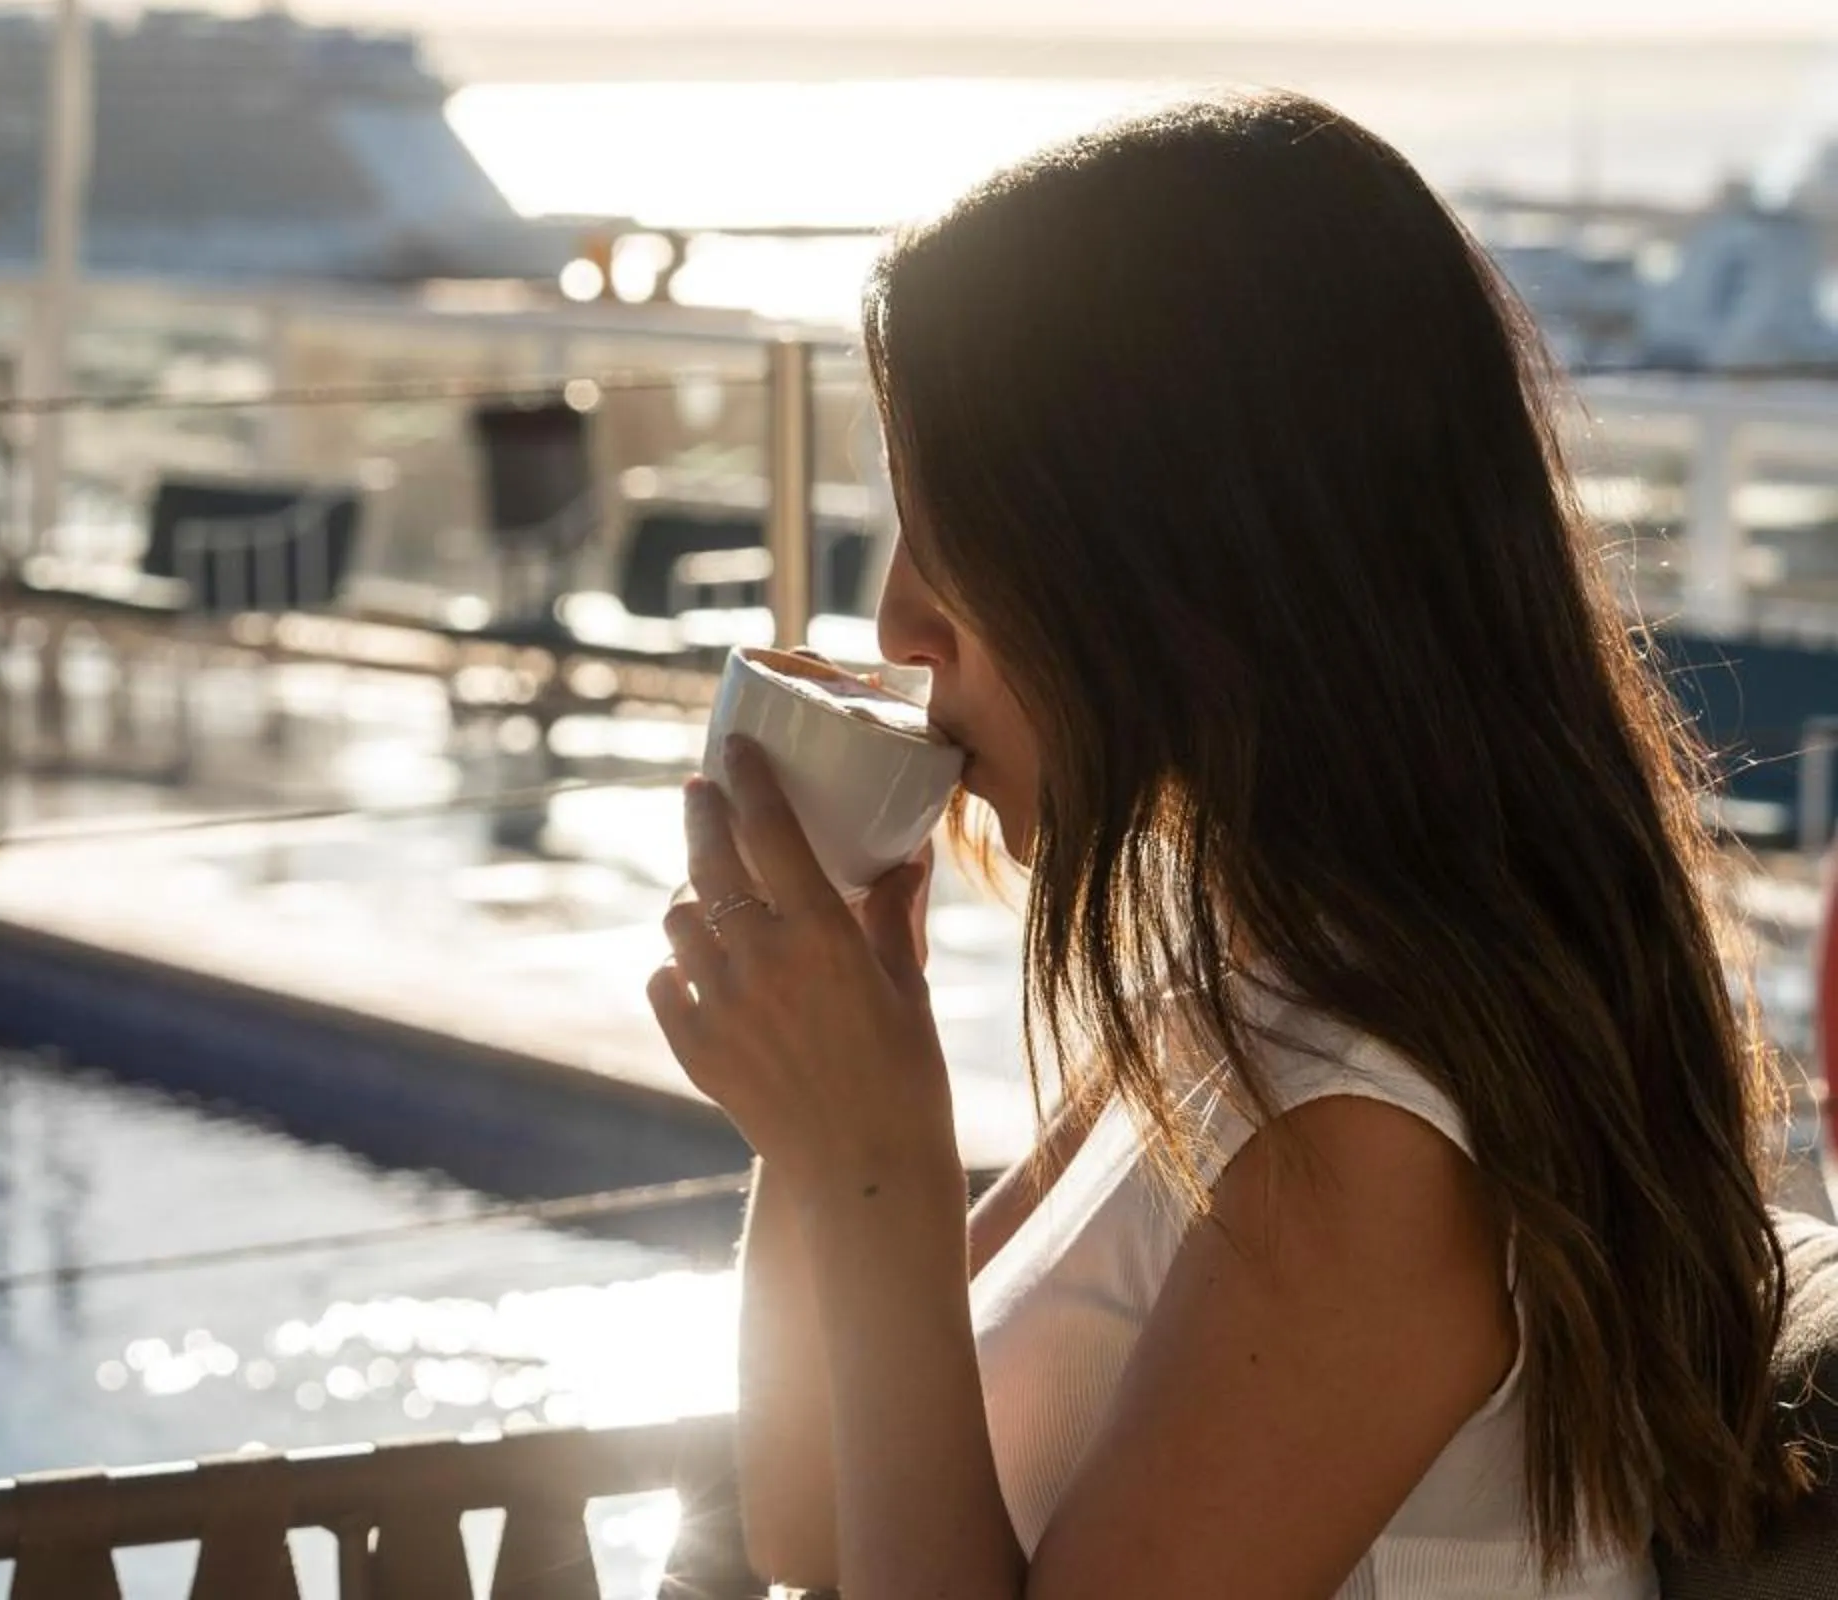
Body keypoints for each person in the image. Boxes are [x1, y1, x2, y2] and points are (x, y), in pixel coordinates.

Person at [648, 92, 1802, 1600]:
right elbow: (808, 1525)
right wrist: (824, 1111)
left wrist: (872, 1163)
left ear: (1194, 566)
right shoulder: (1231, 1008)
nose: (903, 626)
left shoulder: (1372, 1145)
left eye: (966, 540)